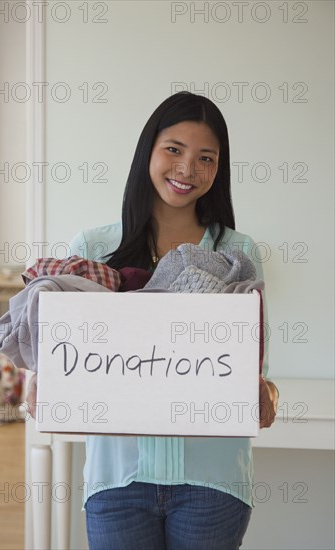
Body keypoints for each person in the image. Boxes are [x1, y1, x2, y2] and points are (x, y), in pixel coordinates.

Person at [27, 91, 278, 549]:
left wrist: (265, 390)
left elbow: (254, 360)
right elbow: (63, 348)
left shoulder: (238, 252)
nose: (187, 170)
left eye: (206, 158)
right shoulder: (93, 247)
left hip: (213, 482)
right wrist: (41, 377)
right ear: (149, 150)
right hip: (117, 479)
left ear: (219, 169)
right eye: (174, 150)